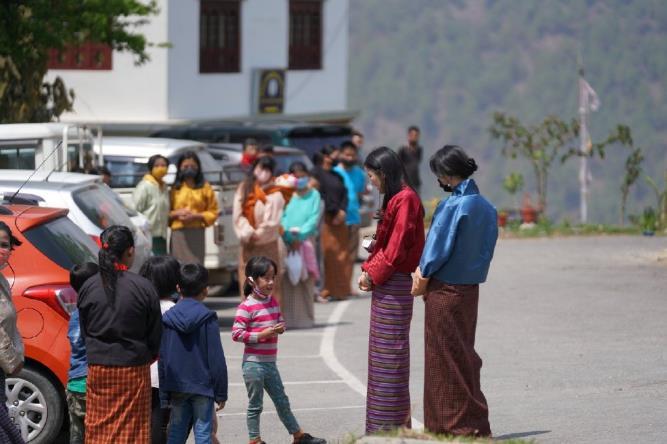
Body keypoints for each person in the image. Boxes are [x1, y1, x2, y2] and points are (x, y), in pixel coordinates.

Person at [413, 145, 498, 438]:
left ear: (446, 175)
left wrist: (422, 275)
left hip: (444, 291)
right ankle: (474, 421)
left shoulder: (452, 206)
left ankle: (449, 424)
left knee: (442, 357)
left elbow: (436, 248)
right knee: (463, 352)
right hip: (470, 290)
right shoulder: (487, 207)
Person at [357, 147, 425, 434]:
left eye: (372, 175)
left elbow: (396, 250)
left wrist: (371, 275)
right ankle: (381, 426)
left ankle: (391, 427)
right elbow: (385, 244)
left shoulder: (406, 199)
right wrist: (368, 269)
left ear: (384, 173)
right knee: (381, 356)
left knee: (391, 357)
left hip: (394, 282)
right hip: (387, 282)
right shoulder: (396, 198)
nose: (371, 181)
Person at [77, 225, 162, 443]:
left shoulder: (88, 286)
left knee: (99, 426)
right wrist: (147, 355)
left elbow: (85, 331)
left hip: (98, 367)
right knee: (133, 429)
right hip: (133, 367)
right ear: (130, 251)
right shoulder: (143, 287)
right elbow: (155, 336)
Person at [232, 257, 326, 444]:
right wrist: (261, 334)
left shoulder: (272, 301)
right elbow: (237, 334)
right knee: (255, 405)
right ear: (252, 280)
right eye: (266, 278)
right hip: (253, 365)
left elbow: (278, 319)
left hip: (270, 364)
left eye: (273, 277)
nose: (271, 282)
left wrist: (280, 326)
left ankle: (298, 436)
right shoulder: (246, 306)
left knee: (282, 401)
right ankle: (254, 439)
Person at [159, 263, 228, 444]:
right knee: (203, 434)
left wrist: (164, 393)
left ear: (178, 288)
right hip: (202, 386)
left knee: (175, 433)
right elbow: (216, 358)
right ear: (206, 290)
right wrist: (221, 392)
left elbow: (163, 357)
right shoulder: (207, 318)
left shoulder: (168, 318)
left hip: (177, 385)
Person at [139, 256, 181, 444]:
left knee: (148, 422)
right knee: (163, 424)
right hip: (166, 375)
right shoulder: (174, 310)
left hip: (143, 373)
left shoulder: (142, 307)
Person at [233, 156, 286, 303]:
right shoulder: (244, 188)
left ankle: (271, 321)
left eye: (268, 169)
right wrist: (248, 233)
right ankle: (250, 321)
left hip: (268, 245)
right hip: (248, 244)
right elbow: (238, 215)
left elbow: (273, 221)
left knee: (269, 284)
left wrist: (259, 234)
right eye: (261, 168)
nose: (264, 172)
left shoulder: (276, 192)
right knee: (248, 283)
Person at [280, 162, 322, 328]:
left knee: (306, 279)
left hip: (306, 241)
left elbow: (314, 218)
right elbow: (281, 217)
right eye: (296, 176)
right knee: (288, 279)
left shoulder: (314, 195)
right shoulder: (285, 195)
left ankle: (306, 319)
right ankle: (289, 319)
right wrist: (290, 237)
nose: (299, 179)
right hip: (286, 241)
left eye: (302, 175)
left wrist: (300, 235)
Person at [67, 262, 100, 444]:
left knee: (77, 435)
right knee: (95, 434)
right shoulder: (95, 313)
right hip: (91, 382)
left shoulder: (74, 315)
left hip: (73, 384)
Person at [311, 147, 350, 300]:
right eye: (332, 154)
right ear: (325, 156)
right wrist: (334, 212)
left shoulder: (336, 175)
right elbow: (320, 196)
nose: (336, 157)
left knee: (342, 255)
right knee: (327, 255)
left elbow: (344, 193)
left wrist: (342, 210)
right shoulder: (316, 173)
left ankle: (340, 290)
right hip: (326, 219)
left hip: (339, 218)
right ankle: (325, 289)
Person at [170, 151, 220, 264]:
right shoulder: (175, 188)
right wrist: (177, 213)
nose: (189, 169)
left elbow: (213, 211)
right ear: (180, 167)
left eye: (193, 166)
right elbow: (166, 213)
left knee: (196, 266)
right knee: (178, 266)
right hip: (179, 233)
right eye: (185, 166)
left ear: (198, 167)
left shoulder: (205, 187)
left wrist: (196, 216)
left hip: (197, 232)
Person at [0, 222, 25, 444]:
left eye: (4, 245)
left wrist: (18, 355)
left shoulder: (2, 281)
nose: (0, 250)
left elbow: (9, 326)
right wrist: (13, 361)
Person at [334, 141, 367, 273]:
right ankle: (336, 287)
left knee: (351, 256)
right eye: (347, 155)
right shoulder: (334, 172)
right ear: (341, 154)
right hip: (337, 218)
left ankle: (347, 288)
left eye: (352, 155)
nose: (350, 158)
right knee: (337, 254)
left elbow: (360, 192)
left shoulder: (360, 173)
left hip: (354, 217)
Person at [134, 155, 171, 255]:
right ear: (151, 167)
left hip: (161, 234)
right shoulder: (144, 186)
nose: (161, 168)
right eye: (157, 165)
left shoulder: (164, 186)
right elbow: (135, 209)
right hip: (147, 234)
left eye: (163, 165)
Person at [397, 125, 423, 197]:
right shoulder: (403, 149)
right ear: (408, 135)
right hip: (405, 182)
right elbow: (398, 165)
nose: (414, 137)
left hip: (416, 182)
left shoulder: (419, 150)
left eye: (416, 135)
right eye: (412, 135)